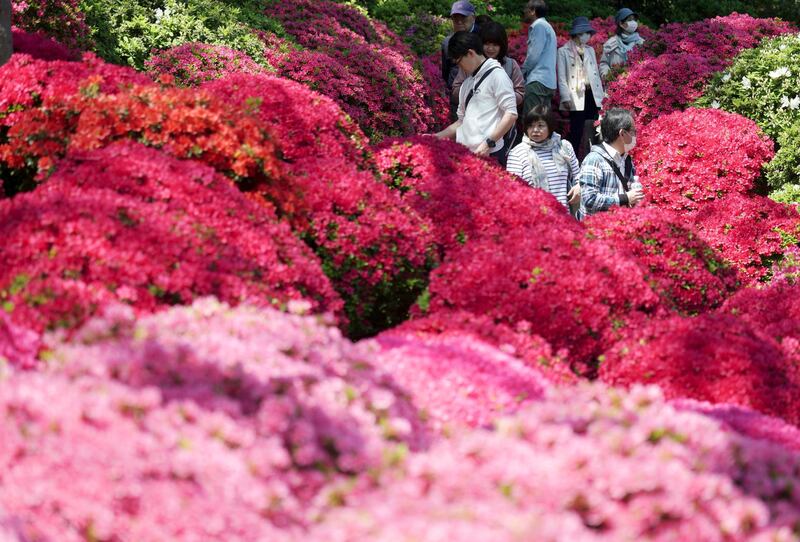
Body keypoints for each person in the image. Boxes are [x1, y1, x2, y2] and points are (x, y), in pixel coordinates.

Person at [435, 31, 518, 165]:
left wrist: (488, 144)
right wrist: (436, 137)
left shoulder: (498, 76)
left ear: (471, 53)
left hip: (490, 153)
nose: (459, 66)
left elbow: (511, 114)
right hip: (467, 154)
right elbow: (461, 121)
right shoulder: (467, 83)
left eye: (459, 61)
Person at [506, 105, 581, 218]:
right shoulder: (517, 153)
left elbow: (578, 175)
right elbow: (512, 190)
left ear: (550, 127)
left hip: (564, 218)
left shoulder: (564, 147)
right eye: (530, 126)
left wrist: (579, 186)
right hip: (534, 220)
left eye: (540, 126)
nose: (535, 130)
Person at [578, 107, 644, 215]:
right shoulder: (594, 160)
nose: (635, 135)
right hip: (596, 229)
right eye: (633, 131)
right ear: (622, 133)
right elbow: (589, 199)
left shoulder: (626, 159)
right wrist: (625, 199)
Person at [557, 16, 604, 161]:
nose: (587, 36)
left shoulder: (589, 50)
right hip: (576, 94)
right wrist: (565, 97)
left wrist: (602, 96)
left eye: (588, 33)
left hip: (591, 94)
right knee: (576, 131)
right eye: (585, 33)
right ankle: (572, 161)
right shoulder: (563, 51)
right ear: (577, 34)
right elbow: (562, 77)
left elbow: (595, 75)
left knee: (594, 128)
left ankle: (593, 159)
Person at [452, 21, 525, 108]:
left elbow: (520, 93)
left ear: (502, 45)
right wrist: (475, 93)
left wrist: (501, 97)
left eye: (495, 45)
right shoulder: (470, 63)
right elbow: (455, 91)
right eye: (486, 44)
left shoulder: (510, 65)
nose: (490, 48)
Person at [442, 1, 481, 120]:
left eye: (463, 17)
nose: (459, 21)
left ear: (473, 18)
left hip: (481, 96)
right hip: (457, 98)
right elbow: (445, 71)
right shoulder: (447, 42)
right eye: (455, 18)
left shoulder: (483, 38)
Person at [520, 0, 557, 118]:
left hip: (537, 81)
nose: (524, 12)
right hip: (548, 81)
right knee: (543, 122)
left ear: (533, 11)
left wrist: (522, 72)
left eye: (527, 9)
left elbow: (533, 55)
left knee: (531, 120)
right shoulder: (548, 26)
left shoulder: (538, 26)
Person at [599, 7, 644, 80]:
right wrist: (608, 76)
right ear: (621, 23)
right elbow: (603, 63)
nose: (633, 22)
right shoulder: (610, 44)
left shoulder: (641, 43)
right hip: (616, 86)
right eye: (629, 20)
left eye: (634, 20)